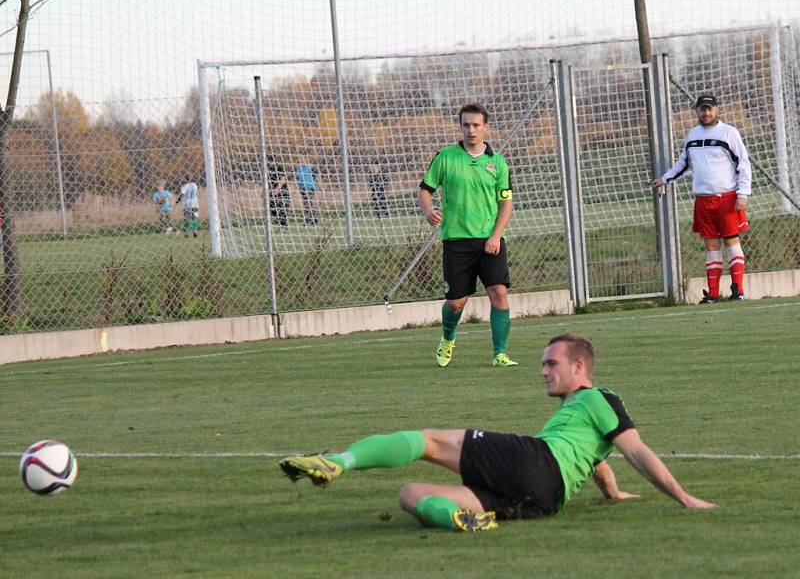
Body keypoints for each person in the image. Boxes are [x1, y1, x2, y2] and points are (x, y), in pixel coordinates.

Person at [279, 334, 716, 533]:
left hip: (535, 461)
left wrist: (683, 497)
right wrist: (613, 494)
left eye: (551, 363)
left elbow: (634, 449)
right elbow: (598, 458)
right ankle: (462, 520)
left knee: (427, 440)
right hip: (545, 499)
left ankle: (336, 462)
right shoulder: (579, 414)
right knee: (410, 493)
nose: (543, 371)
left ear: (578, 367)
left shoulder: (599, 397)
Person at [418, 103, 516, 368]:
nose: (471, 130)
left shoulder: (497, 163)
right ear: (460, 127)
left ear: (485, 127)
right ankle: (448, 338)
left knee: (498, 292)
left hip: (489, 240)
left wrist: (496, 236)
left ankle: (500, 354)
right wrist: (428, 210)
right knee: (456, 302)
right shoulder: (446, 157)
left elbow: (506, 203)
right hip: (456, 241)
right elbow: (425, 190)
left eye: (476, 125)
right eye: (466, 125)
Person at [652, 94, 752, 303]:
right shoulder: (693, 135)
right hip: (703, 200)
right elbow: (684, 163)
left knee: (731, 241)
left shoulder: (729, 133)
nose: (706, 113)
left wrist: (743, 193)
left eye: (710, 109)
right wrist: (665, 178)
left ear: (716, 110)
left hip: (727, 197)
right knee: (711, 246)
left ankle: (738, 290)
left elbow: (743, 163)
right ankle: (713, 294)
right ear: (697, 111)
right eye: (703, 109)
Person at [267, 154, 289, 227]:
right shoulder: (267, 169)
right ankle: (280, 222)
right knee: (272, 208)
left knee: (281, 207)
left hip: (282, 190)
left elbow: (283, 179)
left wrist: (277, 189)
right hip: (272, 191)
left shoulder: (279, 167)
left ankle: (284, 225)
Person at [294, 156, 318, 225]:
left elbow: (316, 178)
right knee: (306, 204)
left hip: (310, 187)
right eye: (300, 159)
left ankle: (310, 220)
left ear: (306, 160)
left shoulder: (311, 167)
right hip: (302, 188)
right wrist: (295, 188)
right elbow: (297, 179)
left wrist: (321, 187)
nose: (301, 160)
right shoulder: (298, 168)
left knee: (308, 203)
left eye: (303, 159)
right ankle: (312, 219)